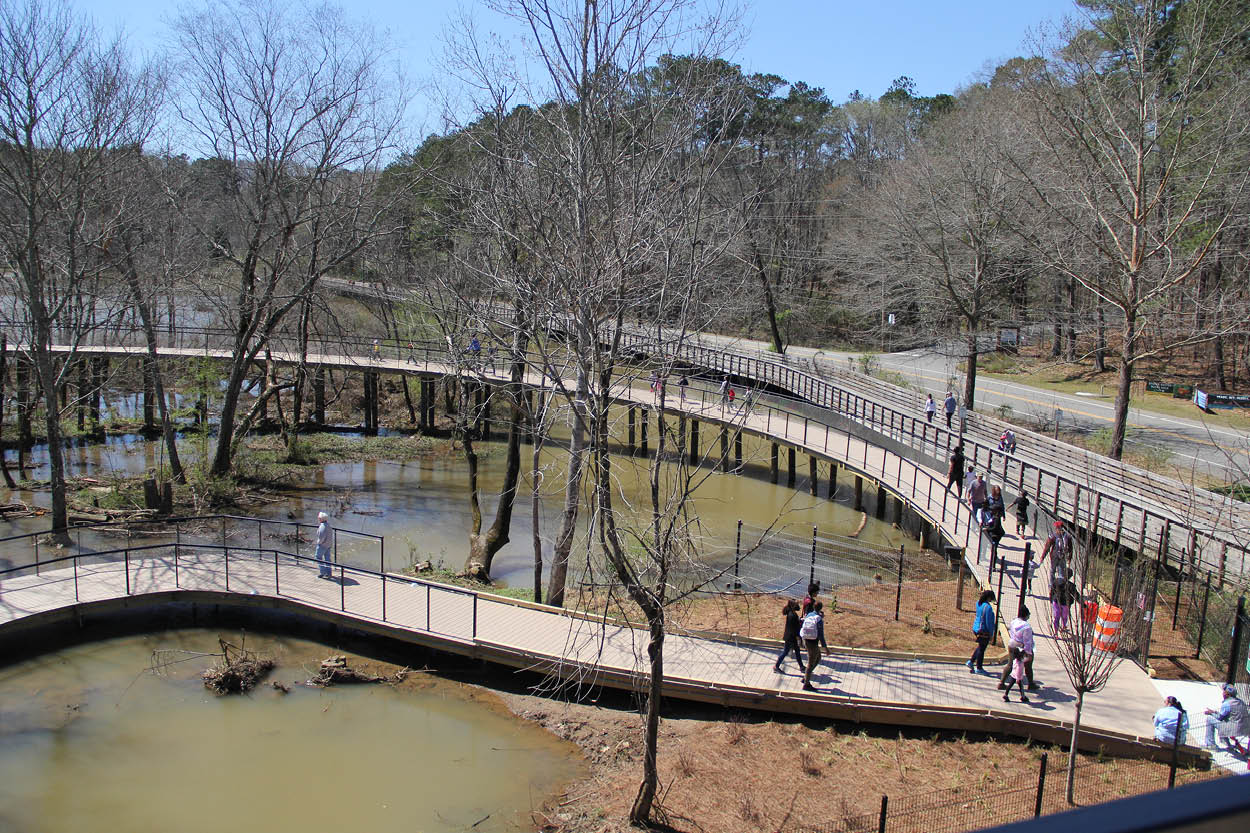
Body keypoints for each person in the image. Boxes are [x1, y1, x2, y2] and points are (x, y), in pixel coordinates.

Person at [998, 607, 1037, 693]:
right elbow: (1028, 641)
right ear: (1026, 615)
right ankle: (1030, 684)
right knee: (1028, 666)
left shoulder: (1013, 622)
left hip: (1012, 645)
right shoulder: (1027, 627)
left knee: (1010, 664)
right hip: (1021, 648)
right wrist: (1029, 653)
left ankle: (1001, 682)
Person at [1203, 684, 1250, 750]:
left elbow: (1219, 717)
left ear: (1227, 694)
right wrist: (1214, 712)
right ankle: (1227, 743)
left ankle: (1210, 744)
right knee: (1226, 722)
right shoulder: (1241, 702)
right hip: (1244, 729)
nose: (1223, 693)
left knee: (1209, 719)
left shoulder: (1227, 703)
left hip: (1233, 730)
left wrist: (1211, 713)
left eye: (1224, 691)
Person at [800, 601, 828, 691]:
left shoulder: (809, 615)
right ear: (821, 608)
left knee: (818, 657)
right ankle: (806, 683)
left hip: (805, 640)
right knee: (811, 662)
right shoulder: (819, 619)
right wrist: (825, 648)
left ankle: (806, 677)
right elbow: (821, 635)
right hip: (813, 642)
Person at [773, 599, 807, 675]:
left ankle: (801, 667)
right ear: (792, 606)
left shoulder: (791, 613)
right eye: (796, 604)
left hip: (790, 636)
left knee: (797, 651)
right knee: (786, 652)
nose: (798, 606)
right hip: (791, 637)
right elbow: (794, 628)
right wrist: (797, 637)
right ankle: (776, 666)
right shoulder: (792, 615)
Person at [967, 590, 996, 674]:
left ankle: (971, 661)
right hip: (983, 630)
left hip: (976, 628)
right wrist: (991, 634)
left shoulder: (978, 603)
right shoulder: (988, 608)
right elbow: (989, 622)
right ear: (989, 597)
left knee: (980, 646)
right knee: (982, 649)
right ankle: (979, 668)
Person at [314, 511, 333, 579]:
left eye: (319, 517)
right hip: (328, 544)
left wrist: (318, 543)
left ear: (321, 519)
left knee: (318, 557)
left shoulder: (322, 527)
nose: (318, 518)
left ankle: (323, 572)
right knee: (327, 559)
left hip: (323, 545)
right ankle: (329, 572)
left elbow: (321, 538)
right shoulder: (328, 525)